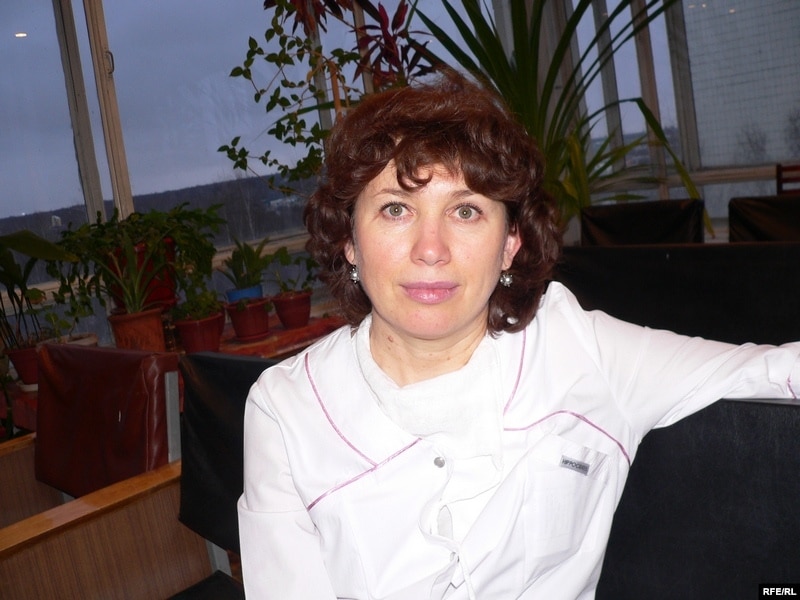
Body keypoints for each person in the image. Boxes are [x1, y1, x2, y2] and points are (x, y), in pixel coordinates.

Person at [237, 72, 800, 599]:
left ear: (510, 244)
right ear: (349, 241)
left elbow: (773, 371)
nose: (430, 249)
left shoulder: (579, 349)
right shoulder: (286, 410)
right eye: (395, 209)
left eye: (465, 211)